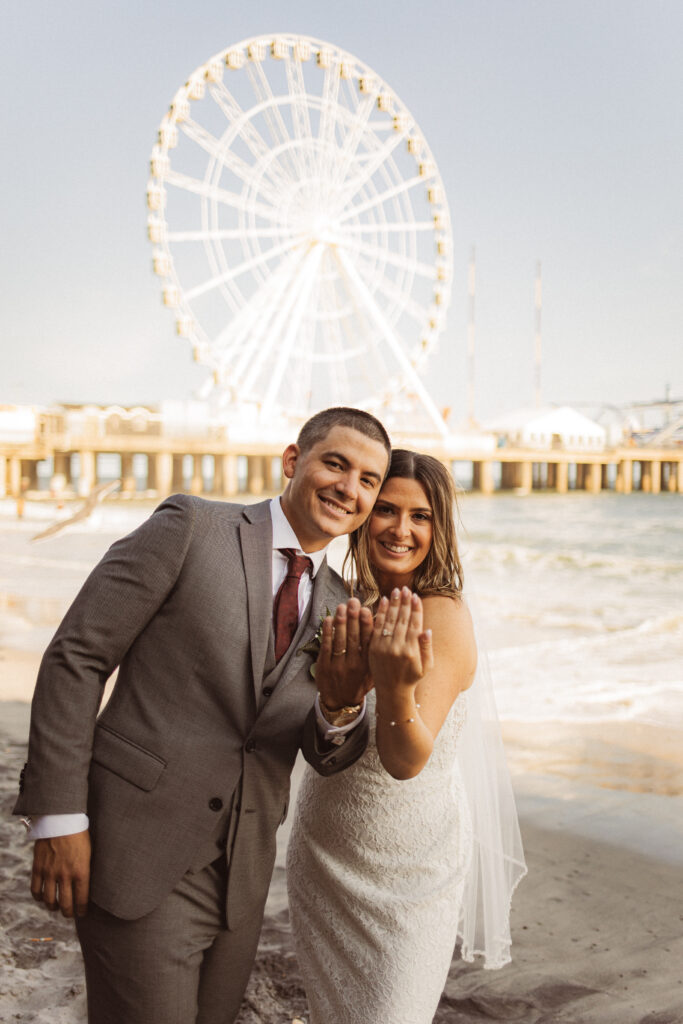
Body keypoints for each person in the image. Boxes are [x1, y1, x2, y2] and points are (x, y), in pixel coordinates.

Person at [14, 406, 392, 1024]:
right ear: (293, 461)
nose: (349, 488)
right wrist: (59, 817)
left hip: (241, 883)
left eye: (368, 480)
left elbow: (322, 753)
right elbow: (76, 657)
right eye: (336, 463)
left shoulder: (342, 605)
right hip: (137, 851)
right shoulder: (191, 526)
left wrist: (341, 704)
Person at [287, 449, 527, 1024]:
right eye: (387, 511)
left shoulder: (441, 616)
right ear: (364, 514)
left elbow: (406, 759)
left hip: (408, 872)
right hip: (324, 851)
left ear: (438, 528)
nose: (400, 529)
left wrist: (393, 687)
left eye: (420, 516)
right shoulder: (340, 599)